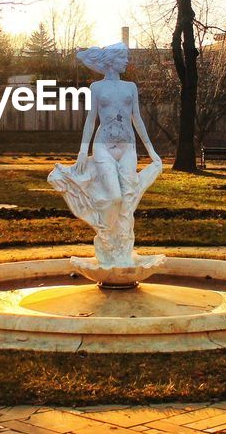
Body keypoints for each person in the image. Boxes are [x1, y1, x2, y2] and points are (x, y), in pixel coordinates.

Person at [48, 42, 163, 268]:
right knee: (116, 197)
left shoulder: (130, 87)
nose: (127, 61)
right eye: (123, 57)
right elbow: (91, 119)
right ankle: (105, 235)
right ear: (112, 60)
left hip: (127, 148)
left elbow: (137, 119)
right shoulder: (96, 88)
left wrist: (152, 151)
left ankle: (121, 248)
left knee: (128, 199)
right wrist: (83, 150)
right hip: (103, 146)